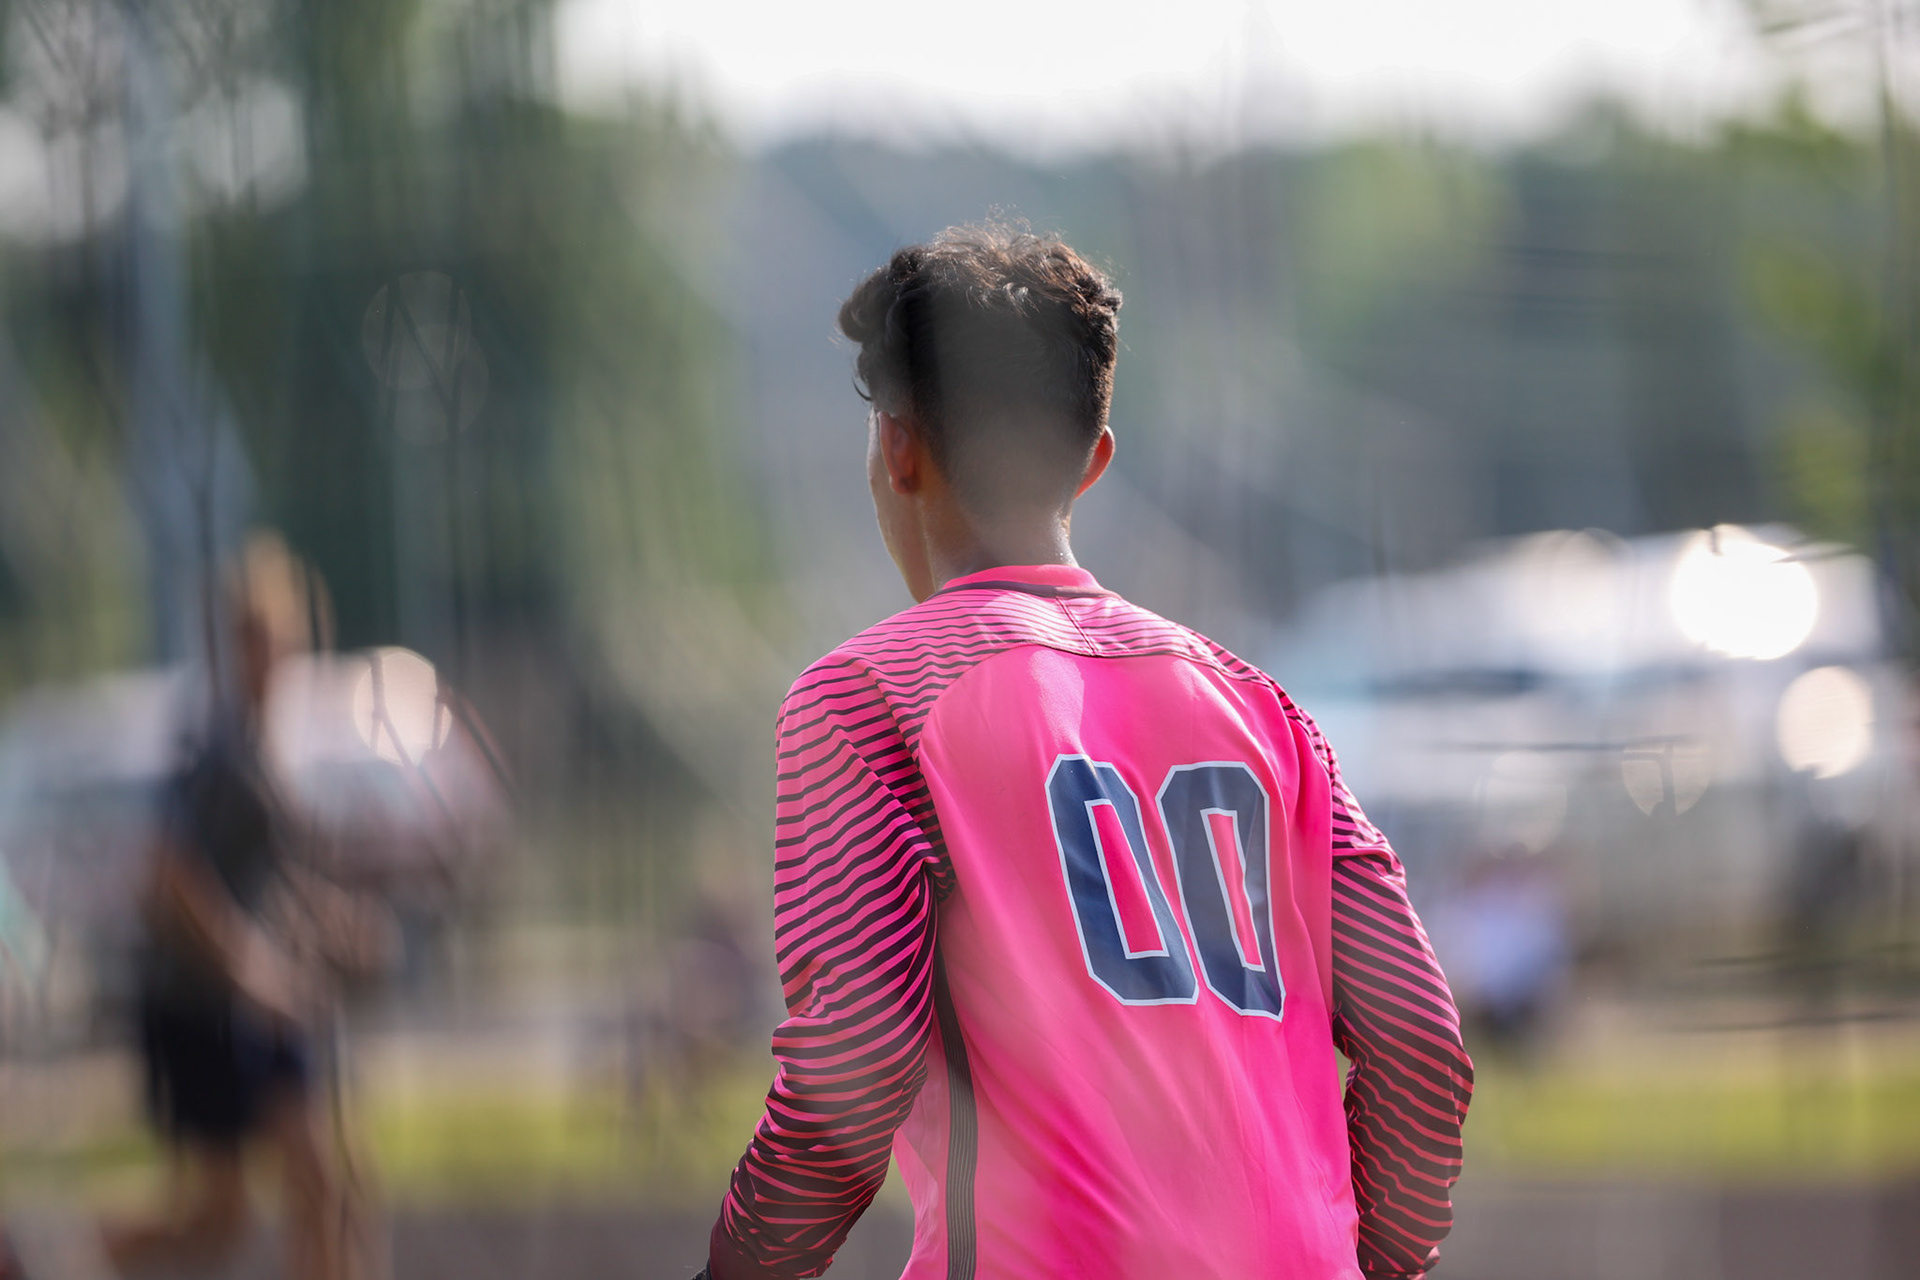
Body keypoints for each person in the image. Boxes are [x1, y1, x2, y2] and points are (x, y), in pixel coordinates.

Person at [697, 223, 1473, 1280]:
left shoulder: (867, 697)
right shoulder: (1266, 710)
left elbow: (858, 1057)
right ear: (1094, 460)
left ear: (896, 444)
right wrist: (1360, 1255)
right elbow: (1420, 1043)